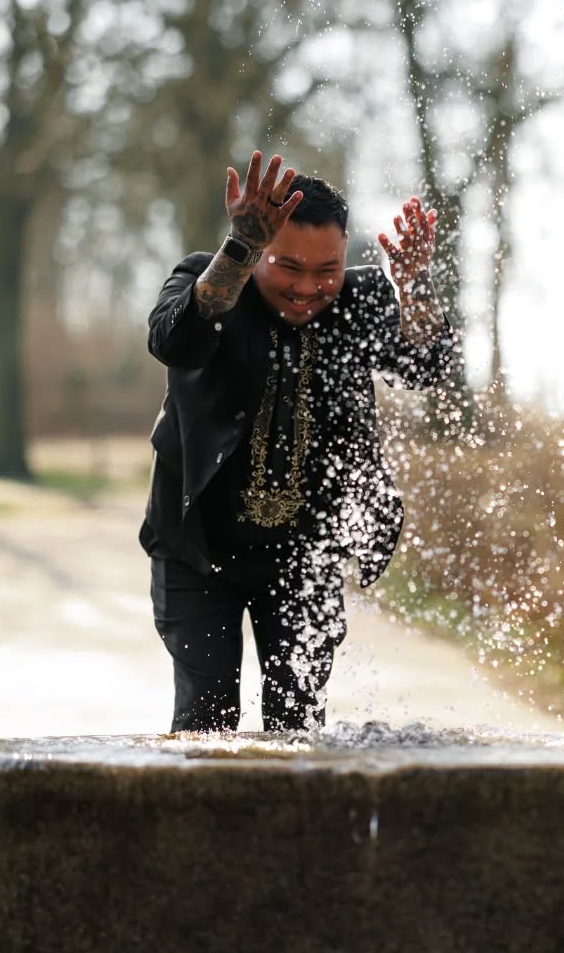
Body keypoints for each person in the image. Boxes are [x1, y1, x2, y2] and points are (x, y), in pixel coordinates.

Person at [140, 151, 457, 733]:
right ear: (257, 248)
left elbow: (427, 366)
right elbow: (176, 342)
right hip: (197, 546)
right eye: (288, 267)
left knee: (299, 727)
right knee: (205, 723)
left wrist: (413, 288)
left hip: (305, 557)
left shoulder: (360, 301)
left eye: (326, 271)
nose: (308, 289)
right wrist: (237, 251)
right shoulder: (204, 276)